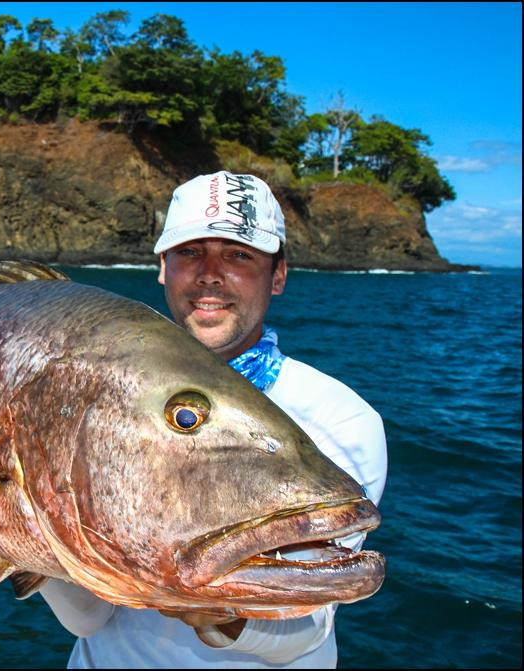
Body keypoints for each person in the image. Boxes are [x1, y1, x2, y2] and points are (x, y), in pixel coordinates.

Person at [39, 171, 388, 668]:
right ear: (163, 268)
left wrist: (220, 612)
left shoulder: (339, 419)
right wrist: (11, 520)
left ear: (279, 274)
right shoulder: (93, 394)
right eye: (189, 252)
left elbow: (306, 626)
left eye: (239, 255)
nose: (210, 273)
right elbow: (87, 618)